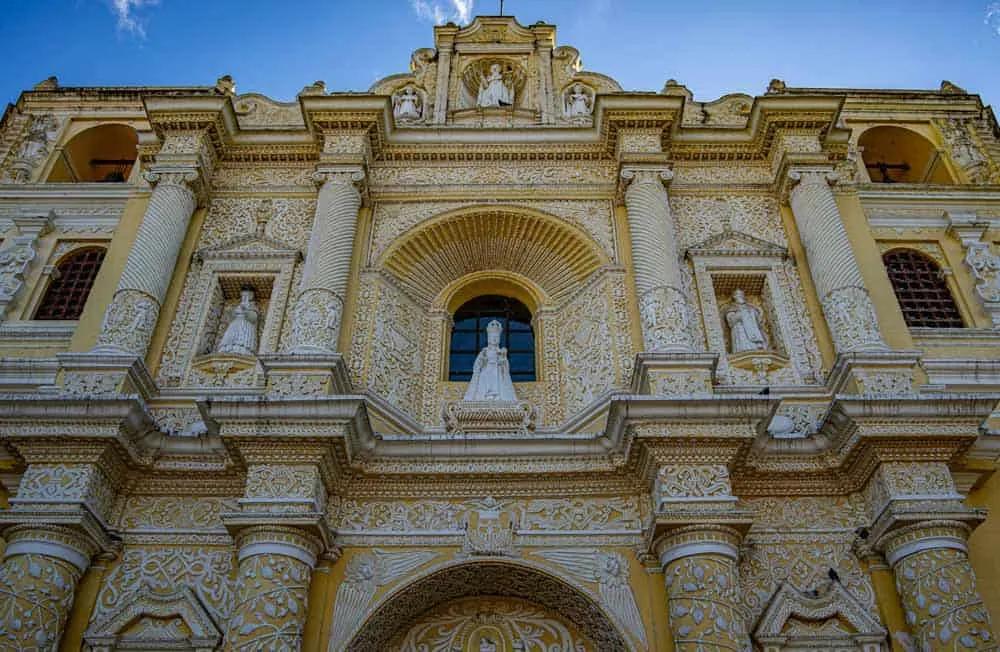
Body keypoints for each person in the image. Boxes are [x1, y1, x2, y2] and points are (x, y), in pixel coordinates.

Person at [463, 320, 517, 401]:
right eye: (492, 337)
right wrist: (482, 359)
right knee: (487, 381)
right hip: (486, 372)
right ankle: (487, 394)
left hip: (497, 372)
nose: (494, 339)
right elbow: (477, 366)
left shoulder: (500, 351)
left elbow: (506, 369)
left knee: (496, 381)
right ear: (489, 338)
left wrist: (503, 359)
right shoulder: (485, 351)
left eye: (496, 337)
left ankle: (496, 395)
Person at [218, 288, 259, 356]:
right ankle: (228, 348)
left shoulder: (252, 306)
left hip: (246, 325)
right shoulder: (238, 306)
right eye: (243, 295)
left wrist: (246, 310)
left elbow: (253, 318)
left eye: (246, 295)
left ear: (251, 296)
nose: (244, 297)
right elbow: (231, 318)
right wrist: (230, 312)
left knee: (243, 338)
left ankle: (241, 349)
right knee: (231, 337)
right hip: (235, 324)